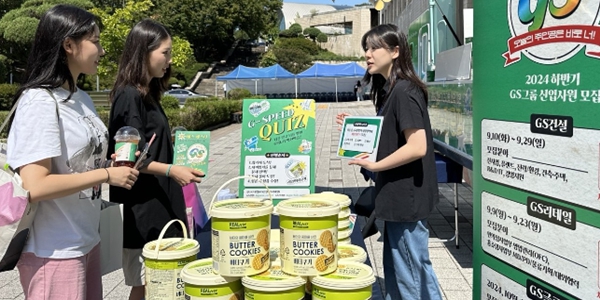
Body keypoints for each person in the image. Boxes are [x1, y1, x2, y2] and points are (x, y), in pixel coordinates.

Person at [6, 5, 139, 299]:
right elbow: (35, 184)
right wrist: (106, 174)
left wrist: (107, 163)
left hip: (86, 239)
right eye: (96, 41)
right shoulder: (39, 101)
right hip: (53, 249)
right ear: (69, 44)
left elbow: (75, 163)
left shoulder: (81, 98)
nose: (102, 51)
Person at [336, 24, 442, 300]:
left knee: (412, 272)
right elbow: (389, 138)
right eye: (366, 49)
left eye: (374, 48)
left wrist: (375, 166)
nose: (368, 55)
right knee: (398, 270)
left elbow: (417, 146)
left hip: (405, 196)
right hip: (395, 195)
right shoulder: (389, 90)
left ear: (395, 51)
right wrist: (354, 130)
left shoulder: (405, 91)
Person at [107, 19, 204, 300]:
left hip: (159, 201)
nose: (170, 60)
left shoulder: (147, 92)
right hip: (144, 207)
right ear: (143, 51)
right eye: (165, 52)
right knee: (147, 283)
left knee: (161, 281)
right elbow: (126, 160)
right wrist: (172, 170)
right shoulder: (129, 95)